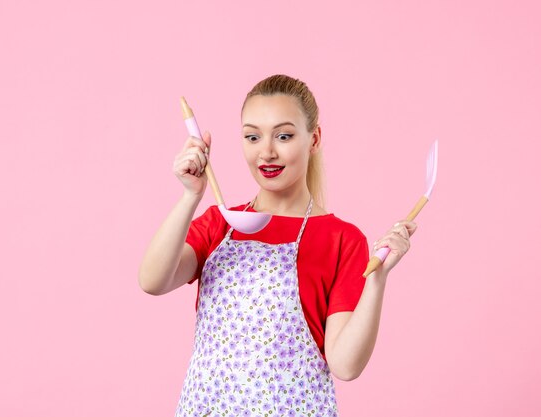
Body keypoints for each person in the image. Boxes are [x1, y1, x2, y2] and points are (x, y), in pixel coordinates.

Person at [138, 74, 417, 417]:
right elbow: (152, 281)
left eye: (283, 136)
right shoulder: (219, 224)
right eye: (252, 137)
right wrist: (189, 196)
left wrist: (378, 278)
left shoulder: (341, 239)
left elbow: (345, 365)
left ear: (313, 139)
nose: (266, 152)